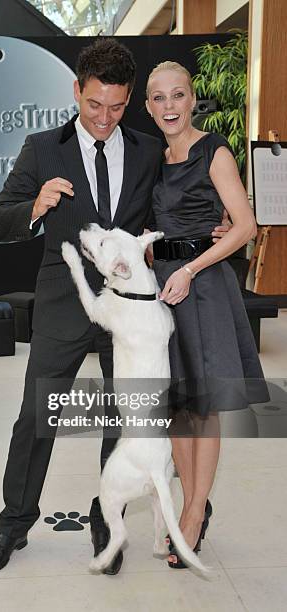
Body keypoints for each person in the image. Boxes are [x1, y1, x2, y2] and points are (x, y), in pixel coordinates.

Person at [0, 40, 229, 579]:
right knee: (36, 415)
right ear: (77, 91)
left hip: (131, 316)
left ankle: (103, 514)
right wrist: (34, 207)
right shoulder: (43, 148)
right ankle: (13, 523)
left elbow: (179, 204)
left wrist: (216, 226)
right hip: (66, 304)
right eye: (94, 105)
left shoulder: (145, 150)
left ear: (129, 99)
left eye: (116, 107)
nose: (104, 118)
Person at [145, 60, 268, 568]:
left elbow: (246, 227)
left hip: (201, 286)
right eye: (159, 98)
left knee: (204, 405)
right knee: (176, 404)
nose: (170, 105)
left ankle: (194, 513)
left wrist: (190, 268)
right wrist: (153, 256)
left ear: (193, 99)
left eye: (178, 95)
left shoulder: (213, 150)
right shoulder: (154, 157)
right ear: (149, 107)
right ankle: (188, 506)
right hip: (161, 287)